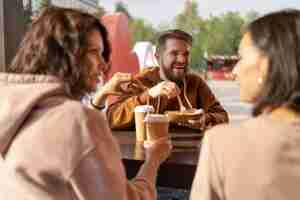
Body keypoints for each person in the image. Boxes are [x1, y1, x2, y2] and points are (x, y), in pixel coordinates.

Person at [0, 7, 172, 199]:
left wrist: (103, 93)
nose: (103, 64)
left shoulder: (11, 109)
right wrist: (153, 160)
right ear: (66, 56)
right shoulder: (78, 121)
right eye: (94, 52)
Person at [190, 9, 300, 200]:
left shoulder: (222, 144)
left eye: (241, 58)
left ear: (266, 65)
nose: (234, 71)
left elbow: (219, 114)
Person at [107, 29, 229, 131]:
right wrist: (148, 95)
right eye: (174, 53)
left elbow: (222, 116)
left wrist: (205, 119)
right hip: (147, 155)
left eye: (186, 54)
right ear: (157, 57)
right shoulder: (140, 81)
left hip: (189, 155)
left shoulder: (195, 82)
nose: (182, 60)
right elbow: (112, 118)